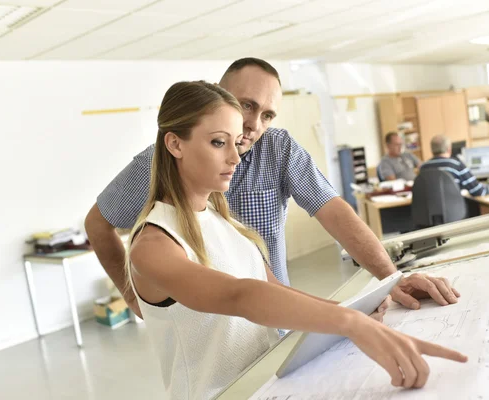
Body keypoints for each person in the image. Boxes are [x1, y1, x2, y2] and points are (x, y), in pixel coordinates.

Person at [127, 80, 468, 399]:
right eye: (218, 142)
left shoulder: (221, 221)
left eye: (235, 142)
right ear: (175, 144)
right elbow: (239, 295)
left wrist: (358, 314)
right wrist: (349, 322)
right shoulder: (154, 244)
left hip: (266, 385)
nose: (235, 157)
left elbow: (275, 292)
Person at [85, 58, 461, 318]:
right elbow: (98, 224)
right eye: (245, 105)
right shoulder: (162, 165)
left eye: (266, 114)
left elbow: (334, 212)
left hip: (278, 317)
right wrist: (136, 301)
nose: (252, 124)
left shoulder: (277, 149)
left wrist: (390, 279)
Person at [420, 135, 489, 196]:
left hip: (429, 216)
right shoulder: (456, 164)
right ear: (449, 149)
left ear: (432, 150)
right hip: (454, 213)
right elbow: (477, 191)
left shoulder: (423, 168)